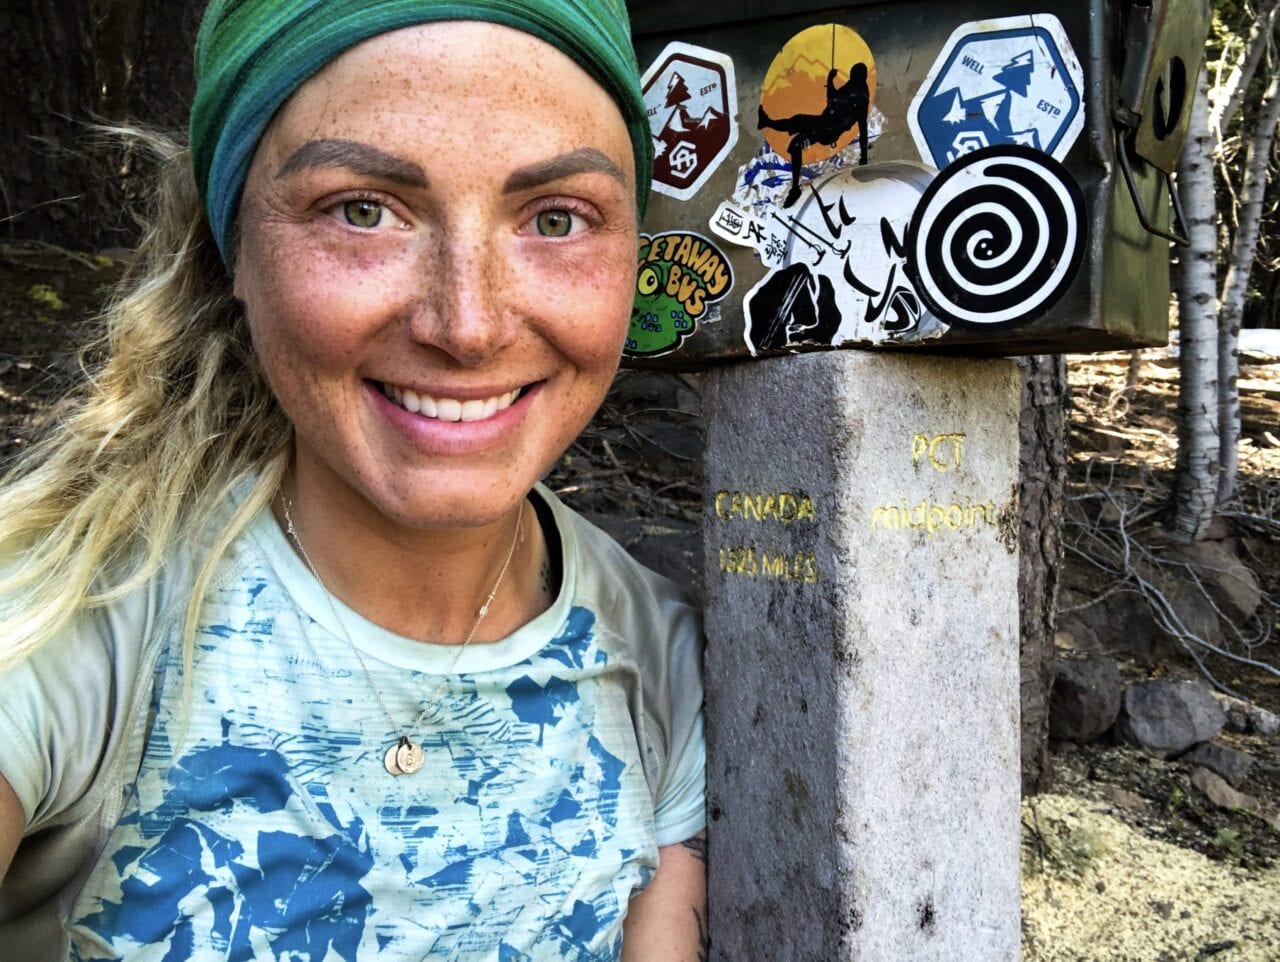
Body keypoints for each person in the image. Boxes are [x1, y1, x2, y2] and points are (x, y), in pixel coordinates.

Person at [0, 1, 707, 958]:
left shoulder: (658, 661)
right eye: (363, 210)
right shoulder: (67, 626)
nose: (468, 324)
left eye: (555, 219)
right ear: (231, 251)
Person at [758, 61, 871, 208]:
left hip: (826, 130)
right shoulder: (855, 89)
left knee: (798, 124)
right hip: (823, 124)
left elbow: (835, 102)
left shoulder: (858, 93)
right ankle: (795, 188)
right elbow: (835, 101)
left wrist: (830, 80)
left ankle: (768, 123)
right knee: (796, 138)